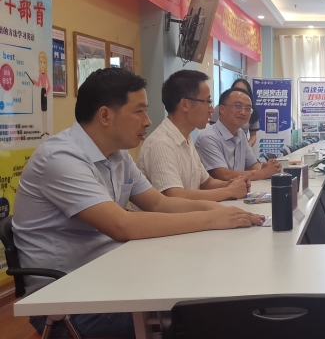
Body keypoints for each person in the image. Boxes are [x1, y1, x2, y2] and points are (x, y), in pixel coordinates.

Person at [12, 68, 264, 338]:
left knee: (209, 291)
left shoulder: (118, 155)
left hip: (113, 275)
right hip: (70, 300)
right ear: (105, 115)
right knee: (202, 314)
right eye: (139, 111)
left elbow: (158, 203)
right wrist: (213, 218)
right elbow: (123, 225)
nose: (148, 120)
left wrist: (220, 211)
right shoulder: (61, 158)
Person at [138, 70, 250, 201]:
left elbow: (206, 182)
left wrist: (232, 184)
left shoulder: (186, 138)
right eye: (207, 101)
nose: (211, 109)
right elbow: (176, 197)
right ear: (185, 105)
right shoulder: (162, 143)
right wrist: (229, 191)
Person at [196, 88, 282, 181]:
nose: (243, 112)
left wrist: (267, 169)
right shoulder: (208, 138)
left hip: (239, 189)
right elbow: (224, 175)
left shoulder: (240, 133)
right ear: (222, 109)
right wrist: (264, 172)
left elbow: (252, 164)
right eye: (237, 106)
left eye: (248, 109)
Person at [211, 78, 260, 147]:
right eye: (236, 90)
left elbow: (253, 135)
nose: (243, 113)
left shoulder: (241, 135)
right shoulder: (209, 138)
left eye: (243, 91)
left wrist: (248, 146)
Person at [32, 51, 51, 137]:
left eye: (44, 62)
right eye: (41, 62)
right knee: (42, 111)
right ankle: (43, 130)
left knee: (45, 111)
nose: (42, 64)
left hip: (44, 92)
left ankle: (46, 129)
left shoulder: (46, 75)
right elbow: (38, 84)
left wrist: (46, 93)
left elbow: (49, 86)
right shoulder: (40, 75)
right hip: (41, 92)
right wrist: (34, 82)